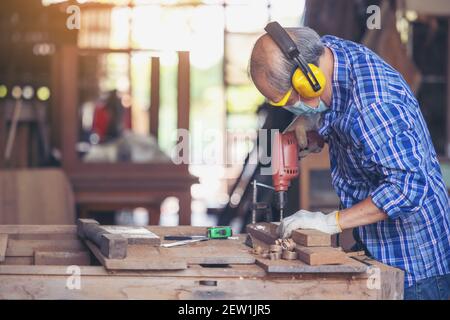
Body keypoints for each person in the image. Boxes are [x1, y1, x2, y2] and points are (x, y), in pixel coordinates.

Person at [249, 22, 450, 300]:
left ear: (310, 81)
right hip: (375, 245)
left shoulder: (374, 105)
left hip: (414, 264)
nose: (288, 108)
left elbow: (409, 187)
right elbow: (345, 109)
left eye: (287, 100)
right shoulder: (330, 54)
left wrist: (331, 222)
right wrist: (315, 119)